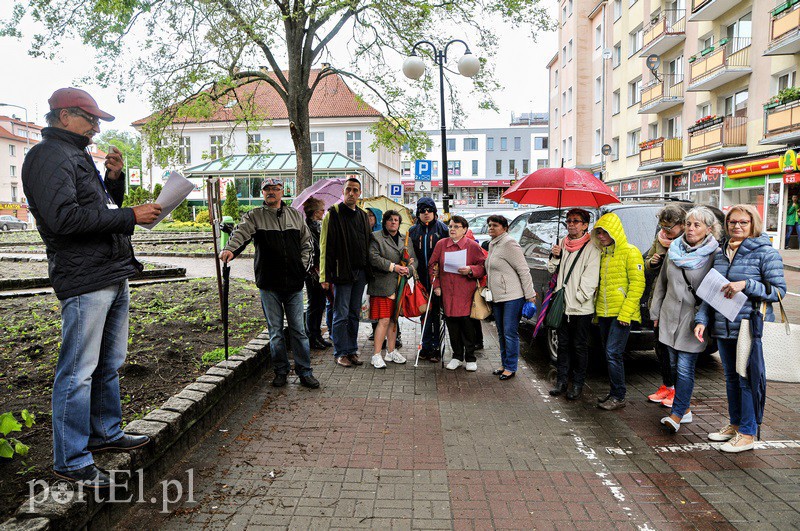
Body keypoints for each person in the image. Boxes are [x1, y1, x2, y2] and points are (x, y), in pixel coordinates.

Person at [21, 87, 162, 487]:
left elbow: (95, 209)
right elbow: (65, 220)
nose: (97, 126)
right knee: (78, 371)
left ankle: (104, 433)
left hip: (108, 271)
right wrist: (129, 215)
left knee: (109, 363)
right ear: (64, 117)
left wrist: (112, 181)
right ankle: (71, 459)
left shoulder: (75, 154)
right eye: (91, 118)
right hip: (84, 278)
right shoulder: (47, 156)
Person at [695, 205, 786, 452]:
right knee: (732, 379)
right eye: (732, 222)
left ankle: (747, 433)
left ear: (753, 224)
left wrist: (746, 284)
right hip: (724, 328)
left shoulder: (766, 253)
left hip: (749, 327)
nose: (737, 227)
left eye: (743, 222)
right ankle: (736, 424)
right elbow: (711, 292)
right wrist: (702, 319)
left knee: (747, 380)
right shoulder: (722, 252)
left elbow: (778, 292)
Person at [221, 178, 319, 389]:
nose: (271, 192)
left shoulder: (295, 216)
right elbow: (240, 233)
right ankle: (281, 371)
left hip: (293, 285)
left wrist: (301, 269)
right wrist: (230, 249)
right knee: (275, 333)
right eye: (267, 189)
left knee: (299, 331)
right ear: (262, 193)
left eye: (276, 189)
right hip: (269, 284)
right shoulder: (255, 216)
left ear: (283, 192)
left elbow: (307, 245)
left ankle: (305, 371)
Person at [649, 207, 720, 432]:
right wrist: (656, 312)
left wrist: (705, 318)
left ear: (709, 229)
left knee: (684, 367)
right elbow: (662, 284)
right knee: (671, 364)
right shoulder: (674, 249)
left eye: (697, 225)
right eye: (688, 224)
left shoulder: (714, 255)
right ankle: (685, 409)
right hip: (669, 316)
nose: (690, 229)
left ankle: (677, 414)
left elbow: (713, 291)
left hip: (693, 320)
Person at [593, 212, 645, 411]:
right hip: (605, 313)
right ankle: (615, 391)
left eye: (604, 232)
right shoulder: (603, 254)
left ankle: (618, 395)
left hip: (621, 314)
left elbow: (637, 285)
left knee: (613, 353)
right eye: (598, 233)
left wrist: (626, 313)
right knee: (609, 354)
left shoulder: (630, 251)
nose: (601, 237)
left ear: (614, 232)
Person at [547, 208, 601, 400]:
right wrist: (555, 256)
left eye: (575, 221)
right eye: (568, 221)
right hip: (562, 305)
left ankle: (577, 383)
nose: (571, 224)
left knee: (579, 346)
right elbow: (552, 270)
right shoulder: (563, 243)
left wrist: (577, 298)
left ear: (585, 225)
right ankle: (561, 381)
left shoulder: (592, 247)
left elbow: (590, 279)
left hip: (580, 307)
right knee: (562, 345)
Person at [319, 178, 372, 368]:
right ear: (343, 192)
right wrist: (324, 276)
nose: (351, 193)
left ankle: (352, 350)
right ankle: (340, 352)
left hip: (360, 272)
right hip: (342, 272)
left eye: (355, 190)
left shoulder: (363, 215)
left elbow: (367, 244)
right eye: (348, 189)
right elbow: (325, 245)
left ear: (359, 194)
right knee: (340, 314)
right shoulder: (333, 213)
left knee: (353, 314)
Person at [428, 216, 486, 371]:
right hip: (447, 291)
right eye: (450, 226)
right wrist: (436, 286)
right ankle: (457, 356)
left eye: (457, 226)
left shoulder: (472, 246)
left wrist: (471, 270)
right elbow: (432, 266)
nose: (452, 229)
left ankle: (470, 357)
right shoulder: (441, 244)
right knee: (451, 325)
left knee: (467, 325)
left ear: (465, 229)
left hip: (465, 291)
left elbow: (482, 266)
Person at [644, 205, 686, 407]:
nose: (666, 232)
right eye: (663, 227)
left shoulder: (687, 243)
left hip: (678, 302)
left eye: (670, 228)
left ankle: (677, 391)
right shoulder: (659, 240)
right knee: (660, 347)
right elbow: (646, 263)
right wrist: (652, 262)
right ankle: (667, 386)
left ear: (681, 225)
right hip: (658, 299)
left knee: (674, 350)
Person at [485, 215, 536, 380]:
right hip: (498, 297)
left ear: (505, 228)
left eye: (495, 225)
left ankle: (511, 367)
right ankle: (504, 363)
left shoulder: (509, 243)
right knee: (501, 332)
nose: (491, 228)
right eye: (489, 225)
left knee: (509, 332)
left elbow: (523, 270)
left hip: (513, 297)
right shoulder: (493, 244)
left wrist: (530, 296)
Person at [367, 210, 417, 368]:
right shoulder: (376, 237)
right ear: (385, 222)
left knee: (394, 320)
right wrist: (394, 267)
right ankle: (376, 355)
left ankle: (391, 351)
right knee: (383, 320)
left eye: (396, 220)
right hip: (382, 285)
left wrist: (408, 269)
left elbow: (414, 261)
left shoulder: (406, 239)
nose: (393, 222)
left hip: (399, 285)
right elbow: (373, 258)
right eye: (390, 220)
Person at [408, 197, 449, 362]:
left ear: (434, 212)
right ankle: (425, 346)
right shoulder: (412, 231)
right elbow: (410, 254)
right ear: (418, 213)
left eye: (429, 210)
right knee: (424, 313)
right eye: (422, 211)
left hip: (438, 279)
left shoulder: (443, 229)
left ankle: (436, 347)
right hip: (421, 279)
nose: (426, 214)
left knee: (437, 314)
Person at [303, 197, 331, 350]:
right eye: (321, 209)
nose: (323, 212)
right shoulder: (308, 227)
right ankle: (311, 336)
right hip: (313, 271)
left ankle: (317, 334)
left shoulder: (317, 226)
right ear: (314, 212)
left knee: (320, 304)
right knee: (314, 303)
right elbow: (315, 248)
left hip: (319, 270)